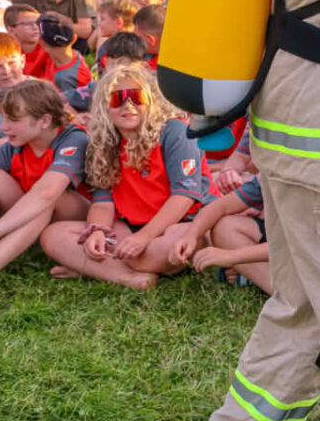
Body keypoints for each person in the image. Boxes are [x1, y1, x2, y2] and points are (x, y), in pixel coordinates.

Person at [39, 66, 211, 290]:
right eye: (117, 99)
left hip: (180, 223)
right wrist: (97, 230)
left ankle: (96, 268)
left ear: (151, 101)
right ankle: (131, 277)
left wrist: (144, 238)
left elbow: (184, 196)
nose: (127, 106)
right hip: (128, 226)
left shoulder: (174, 131)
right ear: (103, 107)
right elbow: (103, 202)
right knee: (53, 235)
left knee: (168, 245)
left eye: (136, 97)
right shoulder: (101, 142)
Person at [0, 80, 89, 307]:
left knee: (46, 194)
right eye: (3, 119)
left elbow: (46, 194)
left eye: (13, 120)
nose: (4, 127)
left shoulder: (75, 139)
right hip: (35, 217)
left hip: (78, 223)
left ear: (45, 120)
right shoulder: (13, 146)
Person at [173, 174, 273, 295]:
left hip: (296, 252)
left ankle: (289, 297)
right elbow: (220, 206)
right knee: (225, 226)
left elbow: (294, 244)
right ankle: (275, 288)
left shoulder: (299, 179)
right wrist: (191, 236)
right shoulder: (271, 175)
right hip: (278, 244)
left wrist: (231, 256)